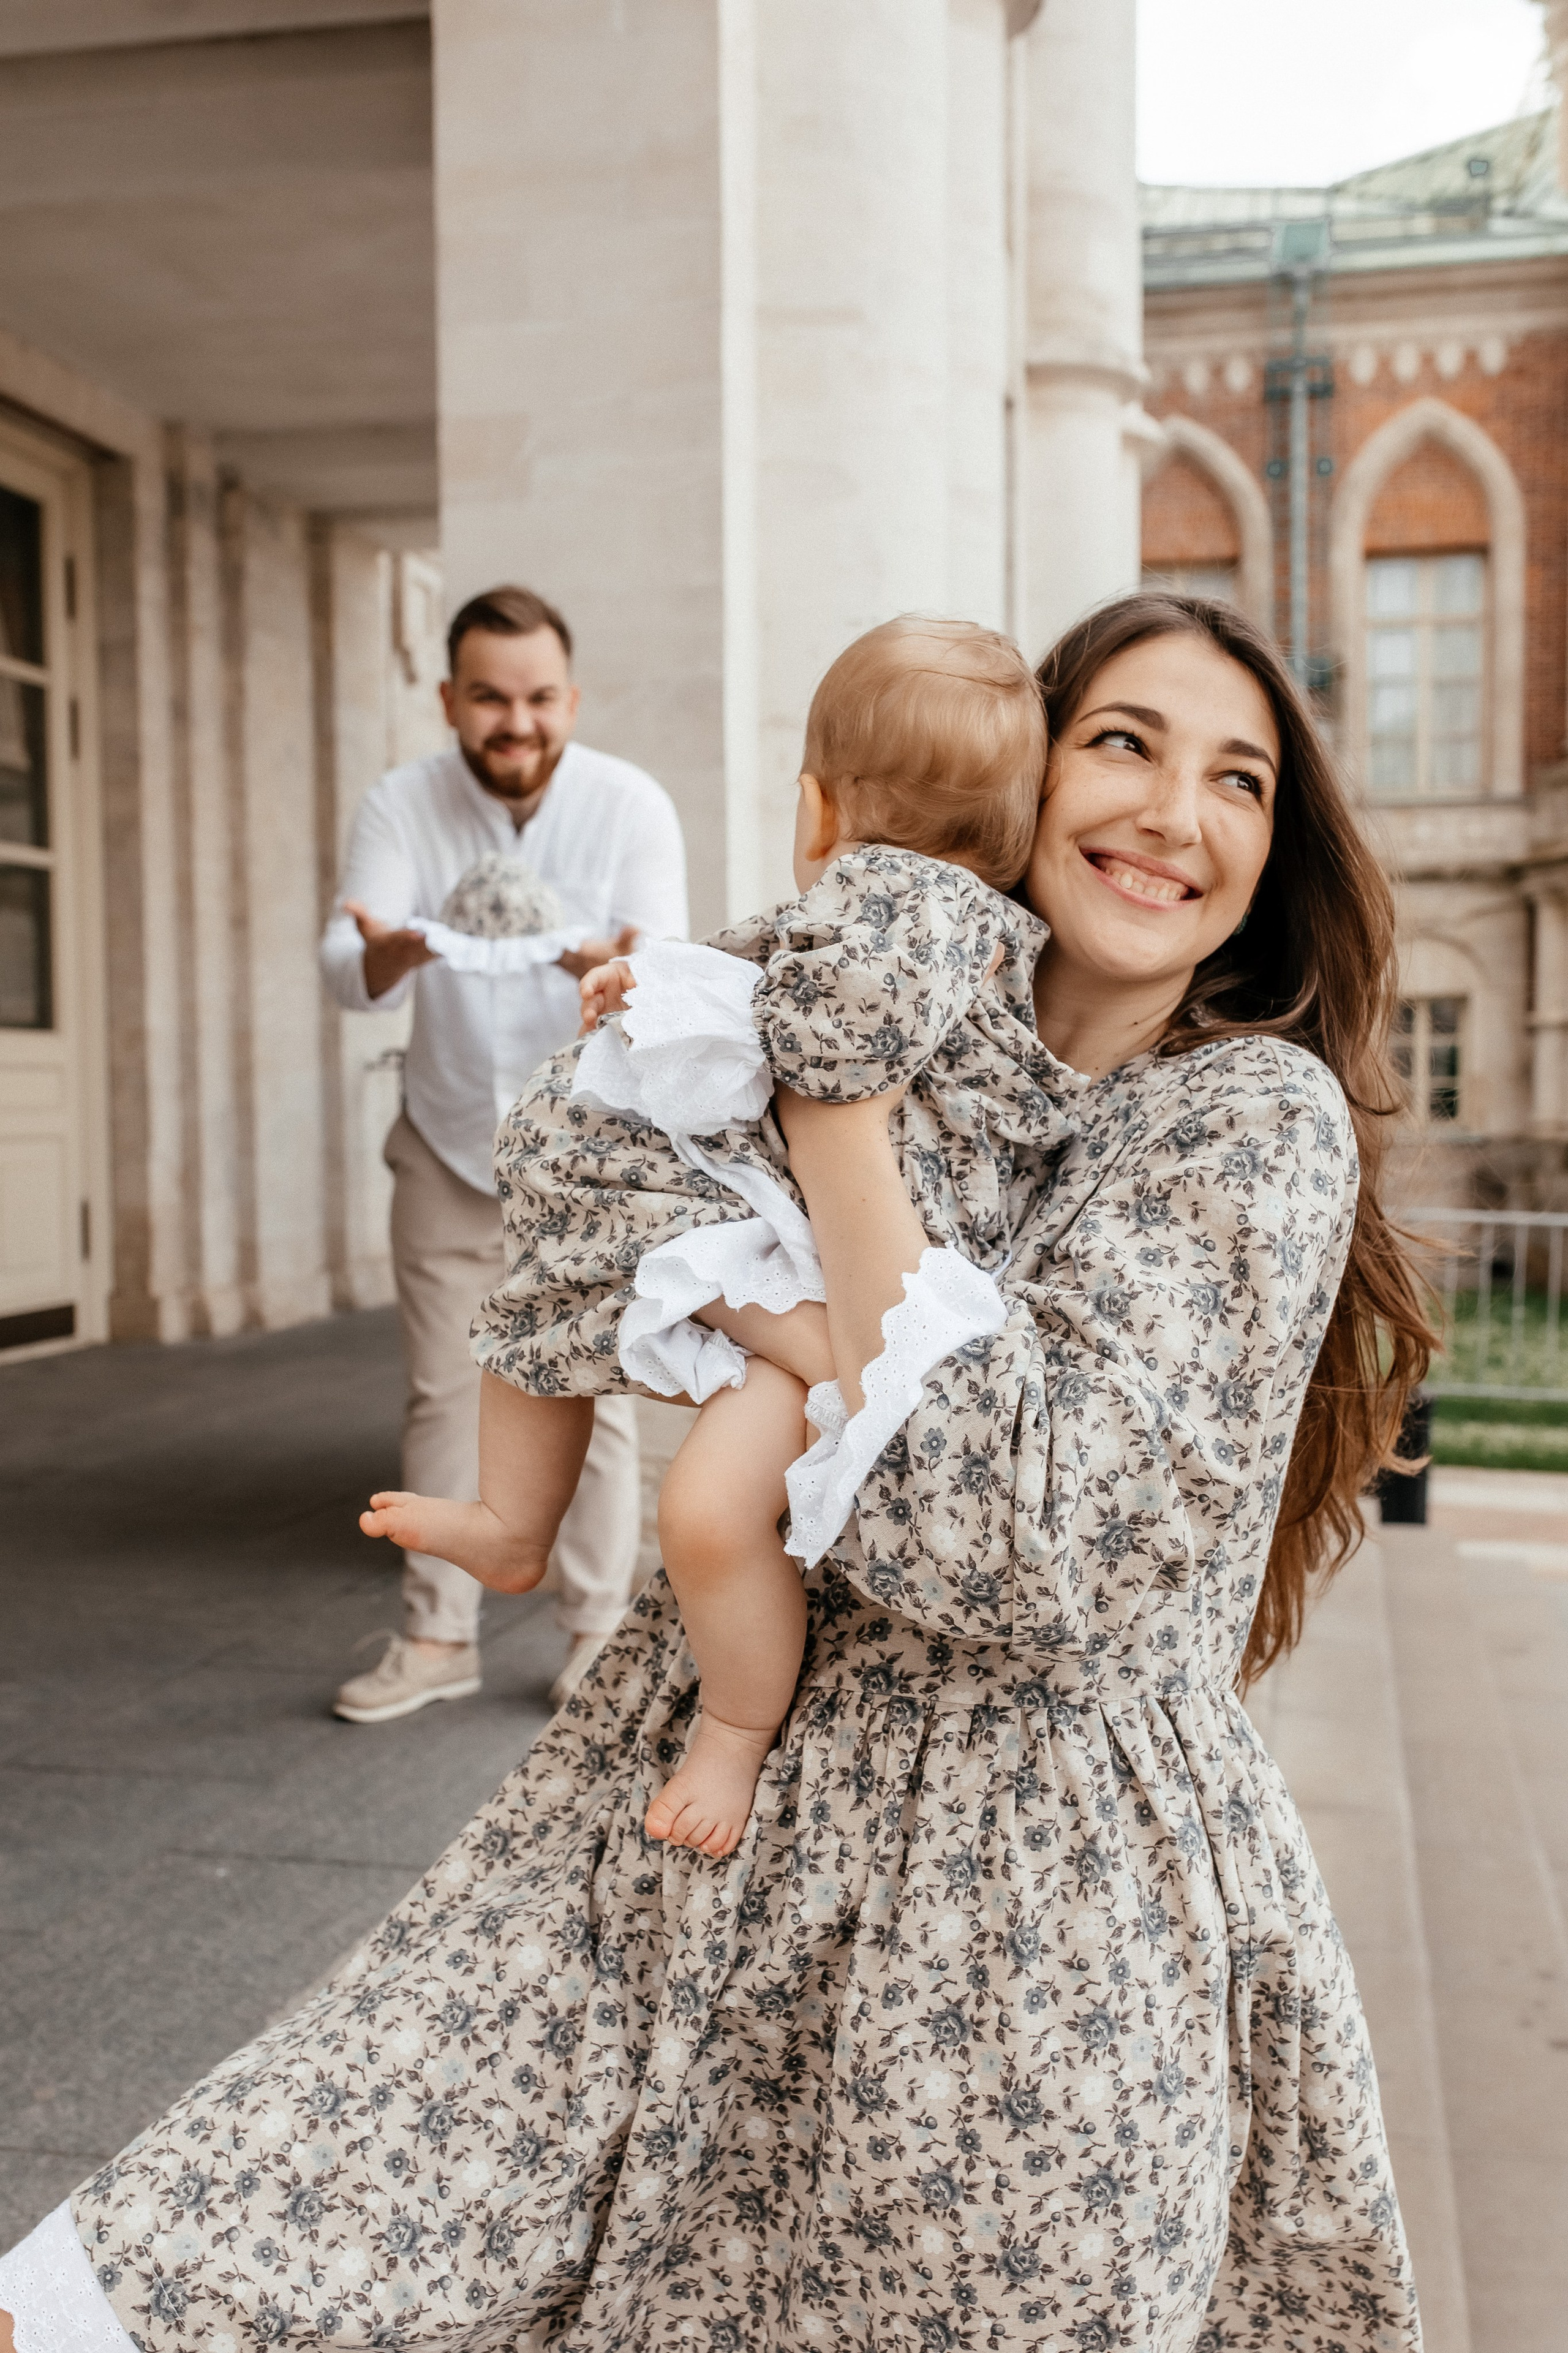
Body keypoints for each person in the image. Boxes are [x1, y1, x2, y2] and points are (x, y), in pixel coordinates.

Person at [0, 590, 1434, 2353]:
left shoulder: (1250, 1121)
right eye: (1123, 742)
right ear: (1021, 776)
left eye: (1239, 779)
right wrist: (823, 1303)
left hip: (1019, 1934)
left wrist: (825, 1149)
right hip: (671, 1830)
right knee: (176, 2269)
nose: (1172, 813)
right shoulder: (846, 978)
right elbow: (588, 1175)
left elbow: (1026, 1535)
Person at [358, 618, 1066, 1860]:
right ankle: (522, 1533)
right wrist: (667, 980)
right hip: (814, 1243)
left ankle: (718, 1714)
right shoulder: (950, 920)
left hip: (846, 1255)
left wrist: (698, 1006)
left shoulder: (899, 904)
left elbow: (834, 1038)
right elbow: (790, 981)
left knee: (588, 1316)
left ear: (817, 810)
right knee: (680, 1483)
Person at [320, 584, 688, 1722]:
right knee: (442, 1392)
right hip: (444, 1141)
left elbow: (669, 983)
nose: (515, 723)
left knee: (597, 1387)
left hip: (588, 1152)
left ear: (571, 699)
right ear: (449, 699)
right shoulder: (400, 803)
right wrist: (398, 949)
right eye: (489, 698)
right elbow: (347, 969)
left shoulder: (630, 805)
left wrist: (594, 959)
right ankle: (437, 1636)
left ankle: (596, 1635)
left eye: (538, 699)